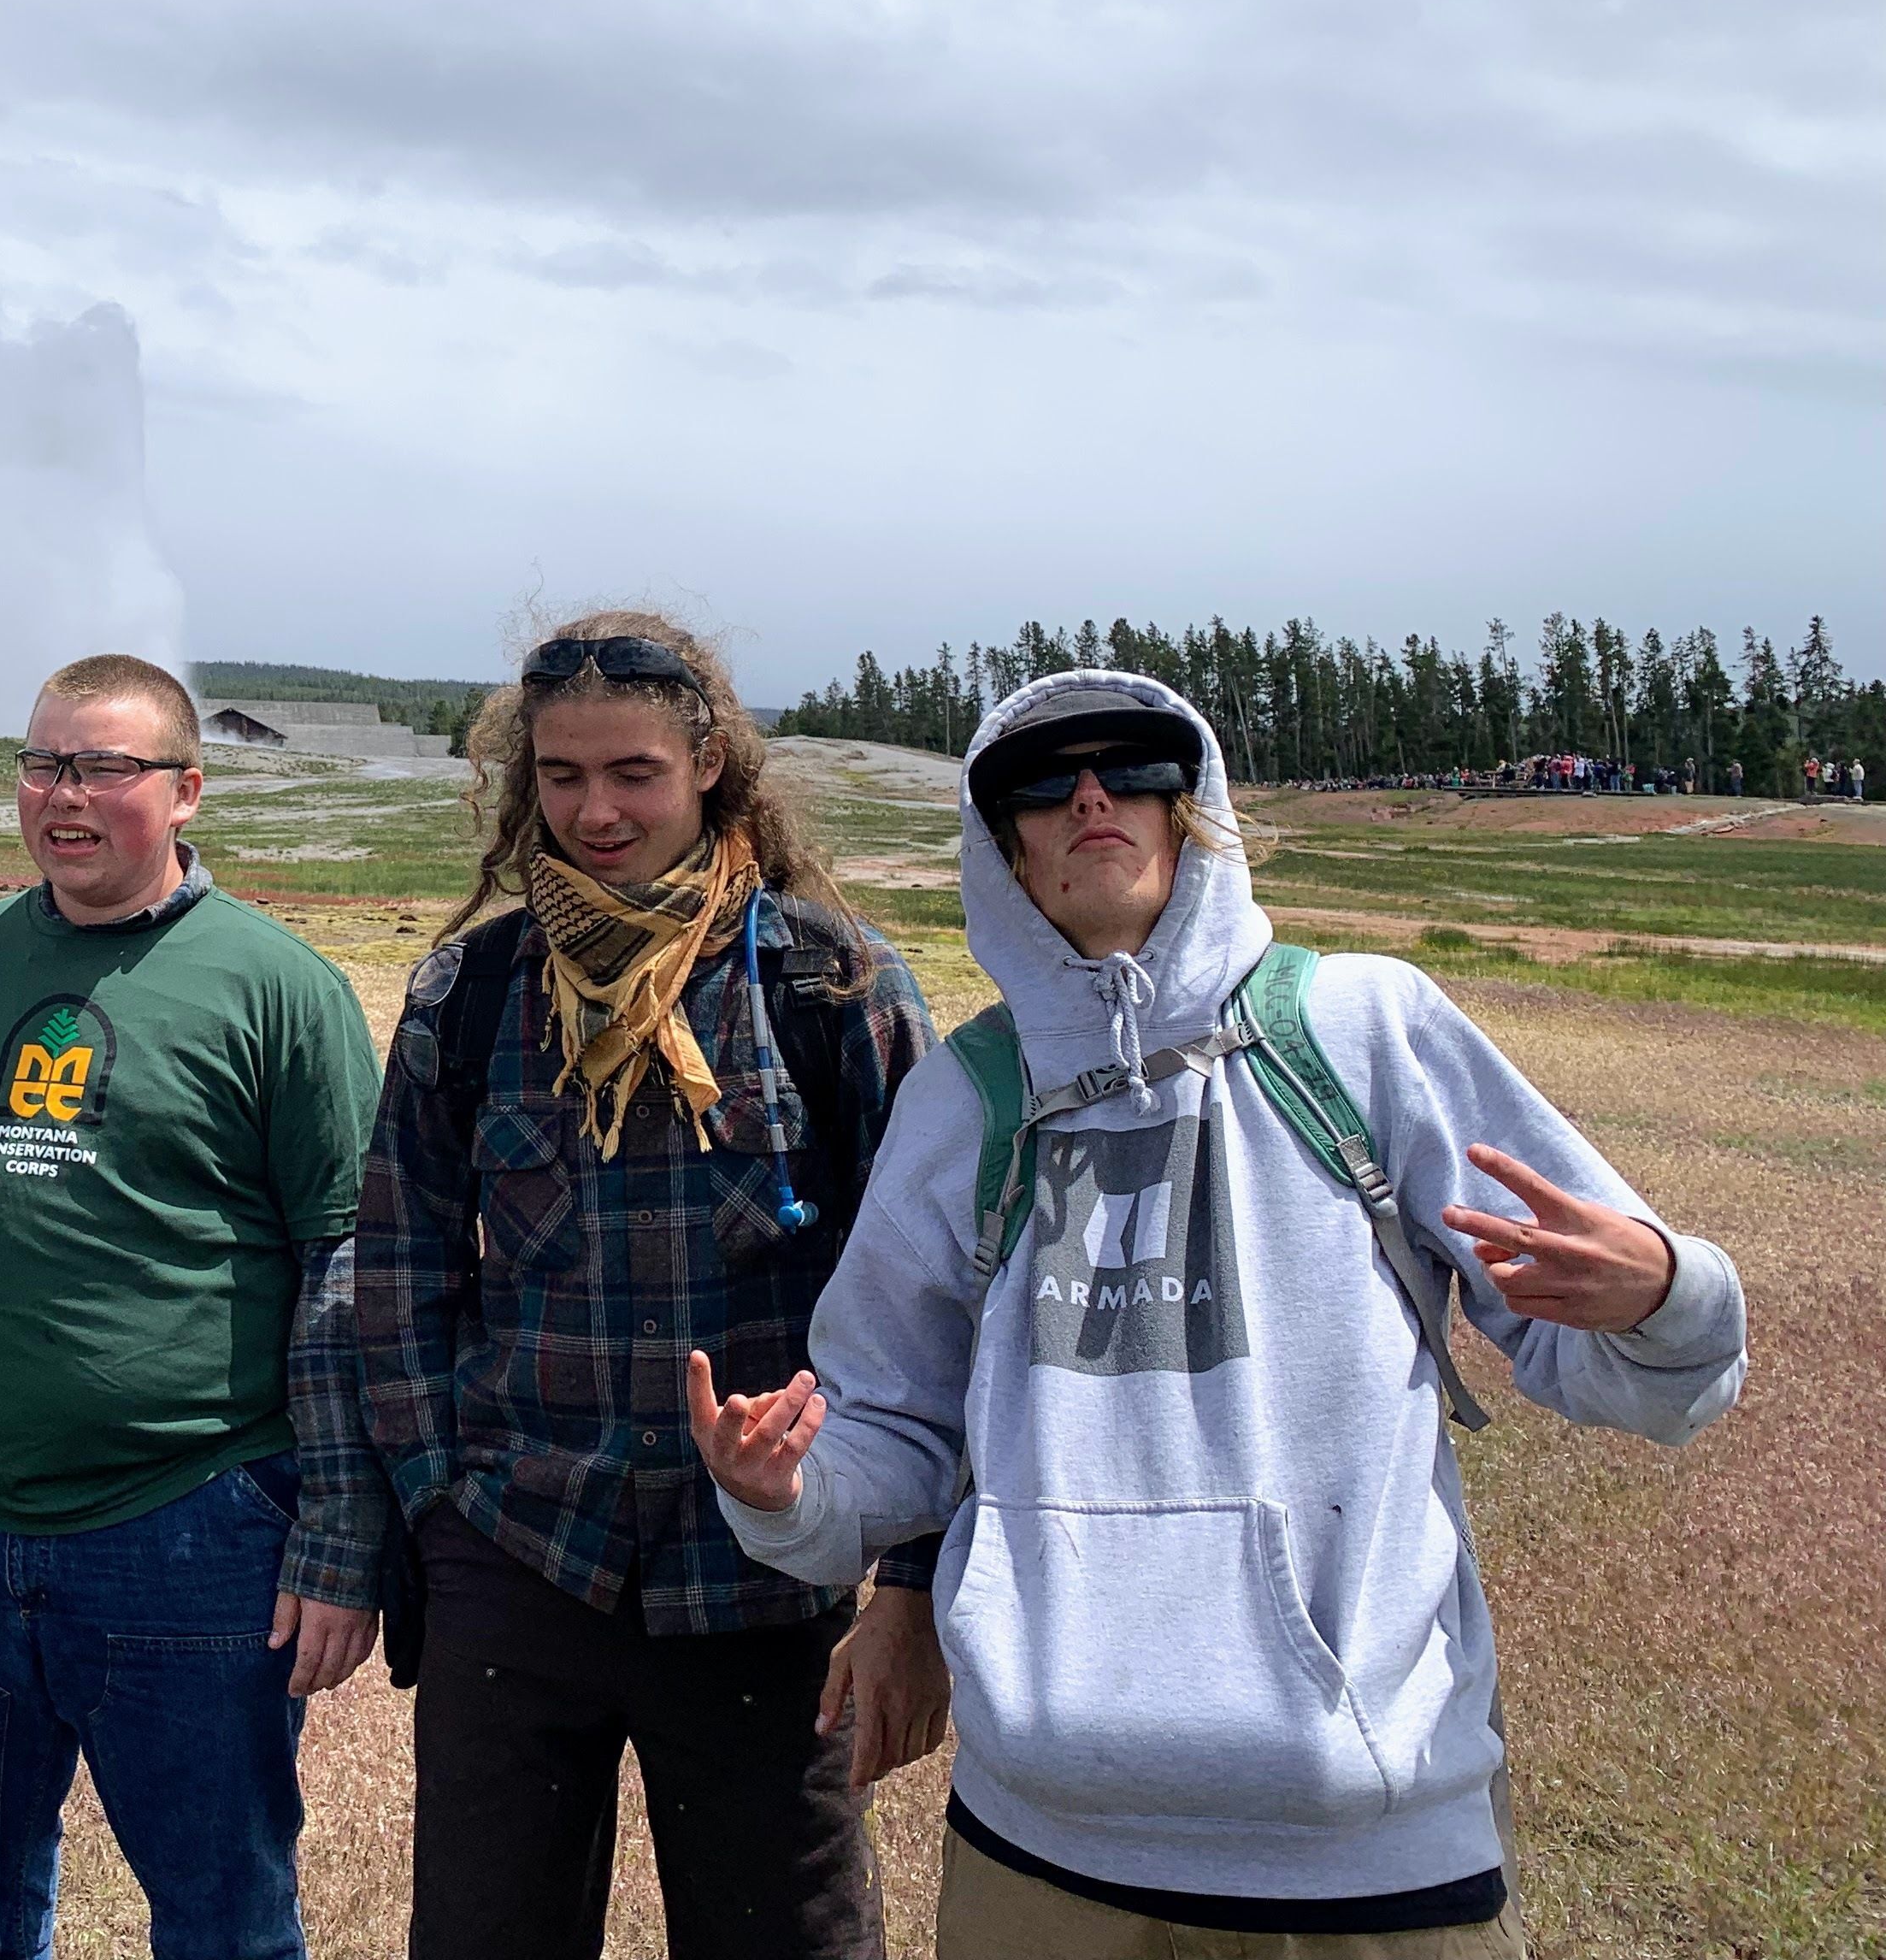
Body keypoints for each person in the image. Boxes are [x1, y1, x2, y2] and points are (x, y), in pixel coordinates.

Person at [700, 670, 1750, 1958]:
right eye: (1043, 780)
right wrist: (786, 1496)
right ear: (1006, 850)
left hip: (1371, 1853)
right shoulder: (968, 1100)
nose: (1092, 793)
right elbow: (893, 1436)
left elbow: (1631, 1377)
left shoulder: (1364, 1030)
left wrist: (1664, 1296)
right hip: (1041, 1846)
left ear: (1190, 808)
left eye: (1136, 765)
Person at [0, 652, 383, 1960]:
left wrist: (339, 1538)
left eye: (108, 767)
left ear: (187, 789)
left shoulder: (282, 991)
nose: (67, 795)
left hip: (191, 1534)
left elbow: (345, 1283)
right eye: (45, 764)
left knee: (223, 1912)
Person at [359, 614, 949, 1960]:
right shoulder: (472, 991)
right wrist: (438, 1500)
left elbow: (936, 1301)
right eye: (562, 777)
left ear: (712, 769)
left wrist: (907, 1573)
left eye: (633, 773)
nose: (596, 810)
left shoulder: (831, 985)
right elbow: (394, 1259)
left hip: (761, 1573)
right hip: (516, 1554)